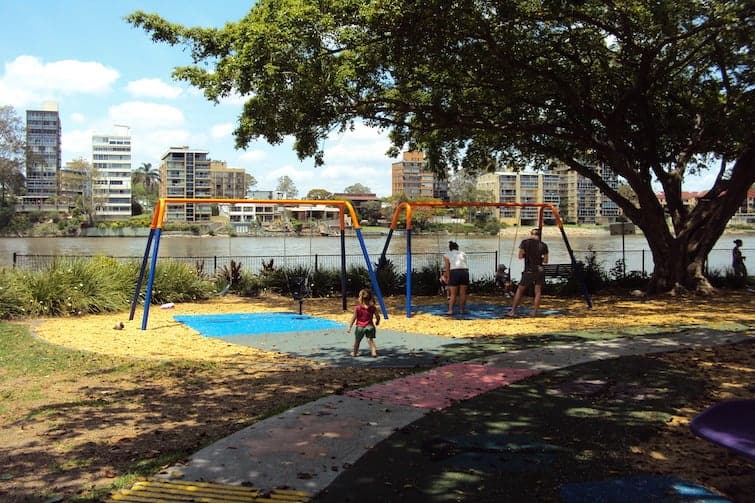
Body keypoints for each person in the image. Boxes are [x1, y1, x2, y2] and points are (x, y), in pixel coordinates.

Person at [508, 228, 549, 317]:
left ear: (531, 234)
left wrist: (527, 255)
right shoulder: (544, 245)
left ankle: (513, 311)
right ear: (540, 235)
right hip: (540, 270)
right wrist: (539, 258)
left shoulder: (525, 242)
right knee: (537, 291)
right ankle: (534, 312)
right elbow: (545, 261)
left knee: (520, 290)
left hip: (529, 270)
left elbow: (520, 256)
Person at [347, 288, 381, 357]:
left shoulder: (358, 308)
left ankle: (354, 353)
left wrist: (350, 327)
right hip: (370, 326)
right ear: (370, 298)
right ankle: (374, 353)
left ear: (360, 298)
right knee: (370, 340)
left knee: (357, 341)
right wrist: (377, 321)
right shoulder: (373, 307)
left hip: (360, 327)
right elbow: (378, 316)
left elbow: (354, 318)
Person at [443, 240, 469, 315]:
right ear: (457, 247)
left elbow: (447, 267)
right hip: (465, 272)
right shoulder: (463, 253)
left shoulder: (447, 255)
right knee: (463, 292)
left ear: (450, 248)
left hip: (455, 272)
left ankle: (450, 310)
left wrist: (448, 277)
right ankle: (462, 310)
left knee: (453, 294)